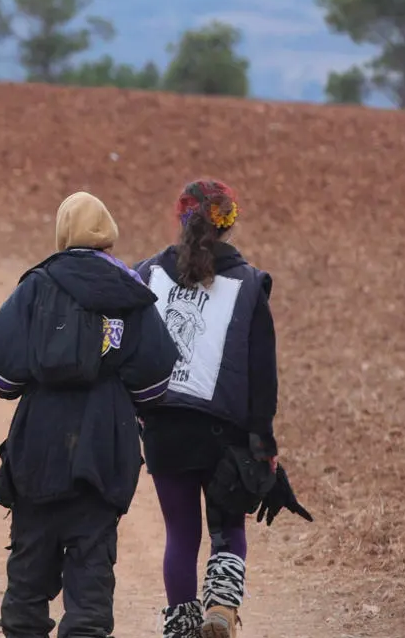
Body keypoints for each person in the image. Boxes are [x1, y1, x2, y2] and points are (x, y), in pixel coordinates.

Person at [0, 192, 178, 638]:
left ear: (63, 234)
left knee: (28, 572)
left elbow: (1, 377)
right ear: (107, 234)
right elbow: (155, 380)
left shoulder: (37, 284)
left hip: (38, 447)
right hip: (104, 446)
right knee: (91, 576)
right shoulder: (132, 290)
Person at [135, 180, 309, 638]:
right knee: (229, 526)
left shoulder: (147, 273)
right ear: (230, 222)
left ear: (181, 218)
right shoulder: (249, 284)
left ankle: (181, 626)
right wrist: (263, 441)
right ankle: (223, 607)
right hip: (225, 434)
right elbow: (262, 374)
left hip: (163, 428)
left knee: (180, 535)